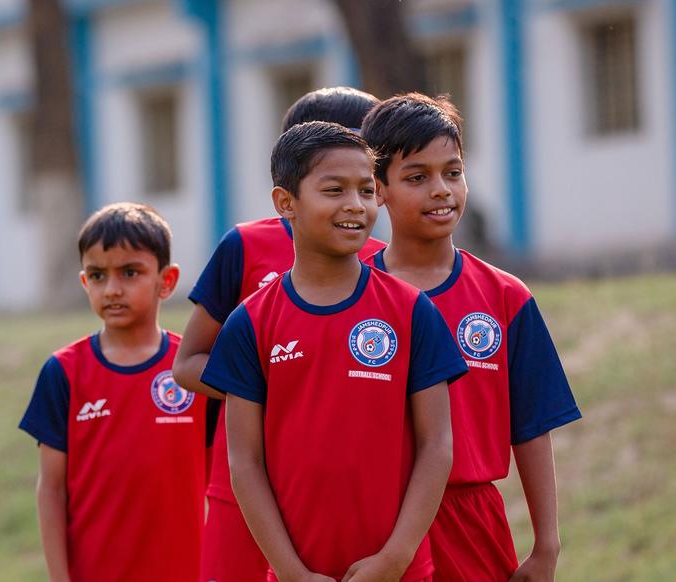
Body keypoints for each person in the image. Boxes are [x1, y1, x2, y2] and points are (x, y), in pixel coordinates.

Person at [202, 121, 468, 581]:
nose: (355, 205)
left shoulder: (411, 311)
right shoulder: (250, 322)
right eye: (334, 190)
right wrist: (292, 572)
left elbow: (437, 444)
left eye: (366, 190)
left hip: (401, 571)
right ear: (286, 203)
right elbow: (243, 462)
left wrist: (396, 557)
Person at [360, 93, 581, 581]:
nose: (441, 189)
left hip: (471, 521)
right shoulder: (350, 293)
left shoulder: (506, 297)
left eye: (453, 172)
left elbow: (531, 425)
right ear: (378, 189)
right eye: (417, 177)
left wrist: (547, 545)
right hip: (371, 521)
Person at [172, 86, 384, 582]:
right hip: (243, 486)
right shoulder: (246, 245)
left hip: (343, 500)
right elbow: (189, 363)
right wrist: (282, 400)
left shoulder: (383, 265)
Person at [19, 203, 206, 581]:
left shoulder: (194, 370)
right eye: (98, 275)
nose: (113, 288)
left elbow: (225, 482)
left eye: (130, 272)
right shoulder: (64, 372)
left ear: (166, 281)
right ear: (85, 283)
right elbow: (51, 490)